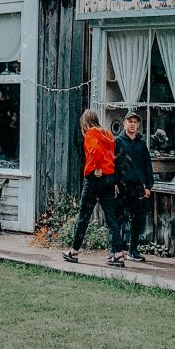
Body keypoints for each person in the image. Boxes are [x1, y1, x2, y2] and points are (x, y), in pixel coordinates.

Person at [62, 109, 124, 267]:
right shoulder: (108, 134)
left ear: (85, 122)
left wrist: (96, 167)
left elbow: (95, 152)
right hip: (110, 178)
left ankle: (74, 251)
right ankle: (118, 255)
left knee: (84, 216)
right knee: (111, 218)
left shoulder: (90, 134)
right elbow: (114, 157)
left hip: (95, 179)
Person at [114, 110, 154, 262]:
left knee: (137, 219)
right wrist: (114, 183)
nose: (132, 124)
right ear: (124, 123)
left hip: (137, 186)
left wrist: (148, 186)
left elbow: (147, 166)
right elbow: (112, 164)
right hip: (121, 185)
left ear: (138, 125)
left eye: (135, 122)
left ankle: (133, 250)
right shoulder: (118, 142)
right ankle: (116, 250)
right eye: (129, 121)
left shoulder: (141, 145)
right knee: (118, 219)